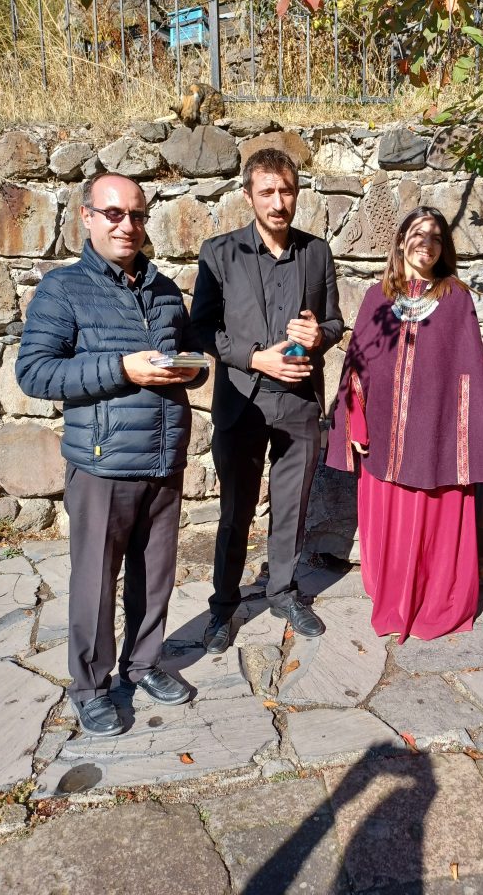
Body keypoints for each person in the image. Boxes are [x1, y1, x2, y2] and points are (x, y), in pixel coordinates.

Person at [16, 172, 208, 736]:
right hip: (102, 463)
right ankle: (91, 687)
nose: (128, 225)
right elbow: (35, 373)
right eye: (115, 213)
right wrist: (123, 368)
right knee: (95, 584)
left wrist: (190, 370)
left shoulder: (164, 290)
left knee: (156, 576)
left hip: (163, 456)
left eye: (138, 215)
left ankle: (143, 664)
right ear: (87, 217)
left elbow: (187, 359)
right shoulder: (63, 290)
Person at [190, 147, 344, 650]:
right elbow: (201, 329)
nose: (279, 202)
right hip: (242, 401)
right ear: (248, 195)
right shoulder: (219, 253)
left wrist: (320, 334)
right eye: (268, 192)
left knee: (292, 506)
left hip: (299, 403)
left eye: (287, 191)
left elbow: (335, 323)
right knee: (235, 510)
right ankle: (223, 606)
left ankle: (282, 590)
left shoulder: (316, 252)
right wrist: (256, 359)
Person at [326, 207, 483, 642]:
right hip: (382, 436)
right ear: (402, 240)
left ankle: (435, 601)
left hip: (436, 438)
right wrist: (356, 423)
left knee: (433, 522)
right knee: (392, 523)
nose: (427, 243)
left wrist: (462, 443)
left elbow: (469, 374)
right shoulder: (376, 297)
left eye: (436, 237)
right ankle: (393, 598)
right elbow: (356, 366)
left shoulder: (456, 299)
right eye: (418, 234)